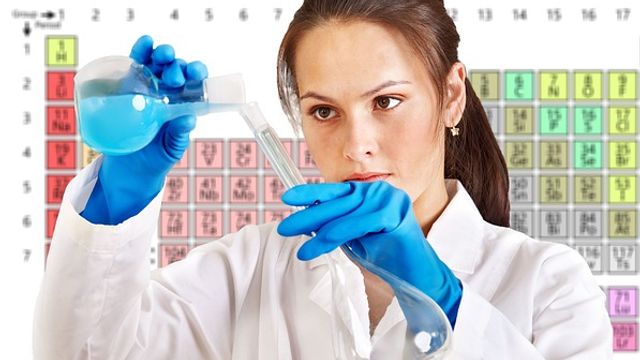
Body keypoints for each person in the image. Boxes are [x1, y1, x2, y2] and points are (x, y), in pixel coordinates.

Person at [34, 0, 613, 358]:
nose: (356, 142)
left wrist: (440, 298)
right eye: (323, 111)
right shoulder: (248, 272)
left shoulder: (548, 285)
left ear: (451, 96)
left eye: (386, 101)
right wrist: (118, 200)